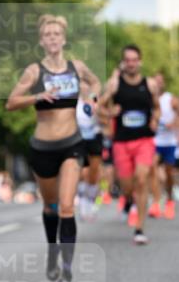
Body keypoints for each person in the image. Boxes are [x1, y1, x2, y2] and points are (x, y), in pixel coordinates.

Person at [6, 14, 101, 282]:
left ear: (64, 39)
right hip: (42, 148)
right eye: (47, 35)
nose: (52, 39)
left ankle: (67, 269)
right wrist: (36, 96)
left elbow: (95, 83)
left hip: (72, 144)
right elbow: (11, 103)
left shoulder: (76, 66)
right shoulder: (34, 71)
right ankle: (52, 250)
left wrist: (92, 100)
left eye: (56, 34)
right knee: (51, 206)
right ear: (41, 41)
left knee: (67, 205)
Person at [101, 45, 160, 244]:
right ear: (123, 62)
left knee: (142, 179)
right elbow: (99, 105)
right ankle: (129, 201)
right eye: (128, 60)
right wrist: (110, 113)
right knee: (127, 186)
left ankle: (139, 228)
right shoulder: (115, 84)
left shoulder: (150, 84)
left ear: (140, 61)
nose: (131, 63)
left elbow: (157, 107)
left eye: (135, 59)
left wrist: (155, 120)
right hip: (121, 142)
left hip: (144, 139)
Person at [149, 72, 178, 220]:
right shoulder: (147, 98)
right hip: (154, 141)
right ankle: (155, 202)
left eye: (160, 81)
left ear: (163, 84)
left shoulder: (170, 99)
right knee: (152, 167)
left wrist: (173, 124)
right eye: (155, 81)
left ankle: (169, 200)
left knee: (168, 173)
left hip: (169, 142)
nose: (158, 84)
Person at [76, 93, 103, 221]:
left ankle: (91, 201)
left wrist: (99, 110)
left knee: (93, 173)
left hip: (95, 137)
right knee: (82, 172)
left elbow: (105, 117)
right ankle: (83, 203)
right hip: (79, 138)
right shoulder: (73, 97)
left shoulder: (96, 98)